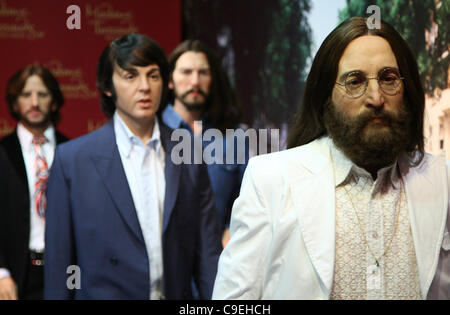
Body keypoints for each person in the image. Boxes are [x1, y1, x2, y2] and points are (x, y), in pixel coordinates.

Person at [212, 17, 450, 300]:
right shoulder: (272, 180)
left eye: (388, 78)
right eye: (355, 81)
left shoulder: (442, 181)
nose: (375, 97)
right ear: (326, 96)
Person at [44, 33, 222, 300]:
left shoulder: (188, 150)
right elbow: (60, 268)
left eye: (153, 75)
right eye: (130, 76)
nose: (144, 87)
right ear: (107, 87)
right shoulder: (73, 160)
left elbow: (207, 253)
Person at [162, 39, 248, 247]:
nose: (194, 82)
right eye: (186, 72)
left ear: (212, 80)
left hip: (216, 262)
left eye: (203, 73)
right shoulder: (151, 131)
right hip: (161, 262)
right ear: (170, 80)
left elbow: (249, 198)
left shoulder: (233, 137)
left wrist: (231, 228)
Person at [0, 64, 68, 300]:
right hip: (16, 275)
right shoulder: (2, 153)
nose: (35, 102)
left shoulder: (74, 151)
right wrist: (1, 273)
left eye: (42, 94)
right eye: (26, 95)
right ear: (15, 103)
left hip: (65, 271)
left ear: (55, 101)